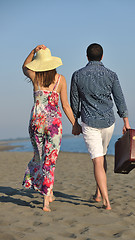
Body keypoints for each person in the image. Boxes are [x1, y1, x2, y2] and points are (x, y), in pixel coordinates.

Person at [70, 43, 131, 210]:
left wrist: (75, 122)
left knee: (97, 159)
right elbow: (119, 98)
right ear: (102, 57)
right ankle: (98, 194)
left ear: (87, 57)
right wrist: (125, 121)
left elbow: (74, 102)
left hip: (89, 122)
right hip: (108, 122)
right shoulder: (111, 75)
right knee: (101, 156)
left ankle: (106, 201)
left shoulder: (77, 75)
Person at [22, 44, 81, 212]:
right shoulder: (61, 79)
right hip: (54, 125)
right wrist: (75, 123)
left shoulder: (35, 77)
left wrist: (33, 51)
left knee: (39, 157)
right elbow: (66, 106)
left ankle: (47, 191)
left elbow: (24, 66)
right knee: (50, 160)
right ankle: (46, 199)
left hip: (36, 122)